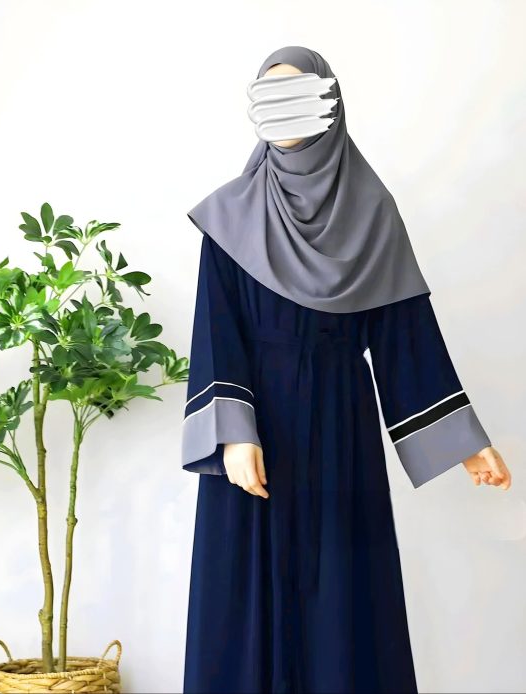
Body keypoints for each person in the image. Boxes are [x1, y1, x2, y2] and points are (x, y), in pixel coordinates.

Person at [180, 45, 511, 694]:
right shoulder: (229, 214)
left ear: (328, 104)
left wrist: (466, 443)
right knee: (247, 589)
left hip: (340, 426)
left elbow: (404, 334)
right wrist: (234, 434)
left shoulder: (371, 211)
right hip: (254, 429)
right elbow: (216, 331)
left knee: (340, 590)